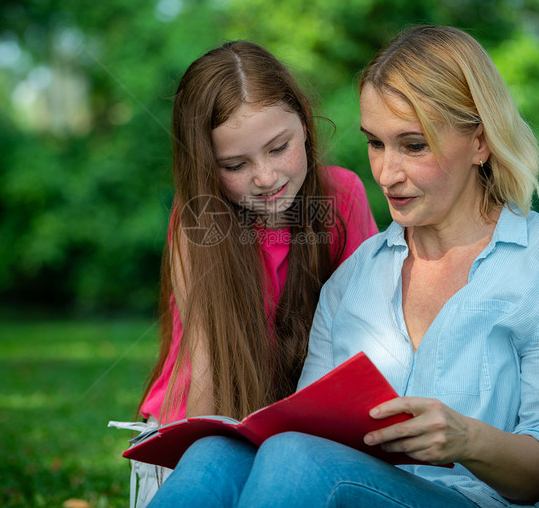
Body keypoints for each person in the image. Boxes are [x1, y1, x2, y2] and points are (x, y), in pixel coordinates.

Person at [146, 25, 539, 508]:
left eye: (413, 145)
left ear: (480, 142)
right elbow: (311, 430)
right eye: (375, 143)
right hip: (369, 491)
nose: (387, 174)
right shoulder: (353, 279)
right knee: (213, 457)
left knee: (295, 459)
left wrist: (469, 441)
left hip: (482, 500)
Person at [128, 40, 378, 505]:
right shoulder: (196, 219)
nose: (265, 177)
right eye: (236, 165)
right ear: (207, 167)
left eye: (278, 147)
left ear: (304, 124)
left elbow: (362, 339)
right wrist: (198, 467)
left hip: (297, 443)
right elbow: (203, 356)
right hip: (190, 435)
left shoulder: (342, 196)